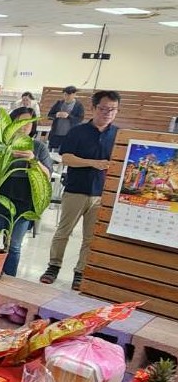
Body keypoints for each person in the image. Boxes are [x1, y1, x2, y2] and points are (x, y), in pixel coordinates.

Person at [44, 90, 119, 291]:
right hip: (76, 190)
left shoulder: (118, 135)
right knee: (63, 231)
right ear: (93, 108)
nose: (107, 113)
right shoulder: (78, 131)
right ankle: (53, 266)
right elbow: (66, 158)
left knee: (90, 237)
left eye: (112, 110)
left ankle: (80, 272)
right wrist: (93, 163)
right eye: (103, 109)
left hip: (102, 194)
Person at [0, 107, 53, 277]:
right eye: (20, 122)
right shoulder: (2, 144)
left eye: (28, 123)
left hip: (23, 201)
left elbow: (47, 175)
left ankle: (9, 280)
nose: (24, 126)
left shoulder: (38, 147)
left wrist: (33, 160)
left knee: (14, 246)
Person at [46, 85, 85, 152]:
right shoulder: (59, 103)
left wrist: (68, 116)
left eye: (69, 95)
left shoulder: (78, 105)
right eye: (65, 94)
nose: (66, 97)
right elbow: (49, 116)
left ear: (74, 94)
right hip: (56, 134)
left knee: (66, 153)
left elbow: (80, 119)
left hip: (69, 135)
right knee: (52, 153)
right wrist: (56, 115)